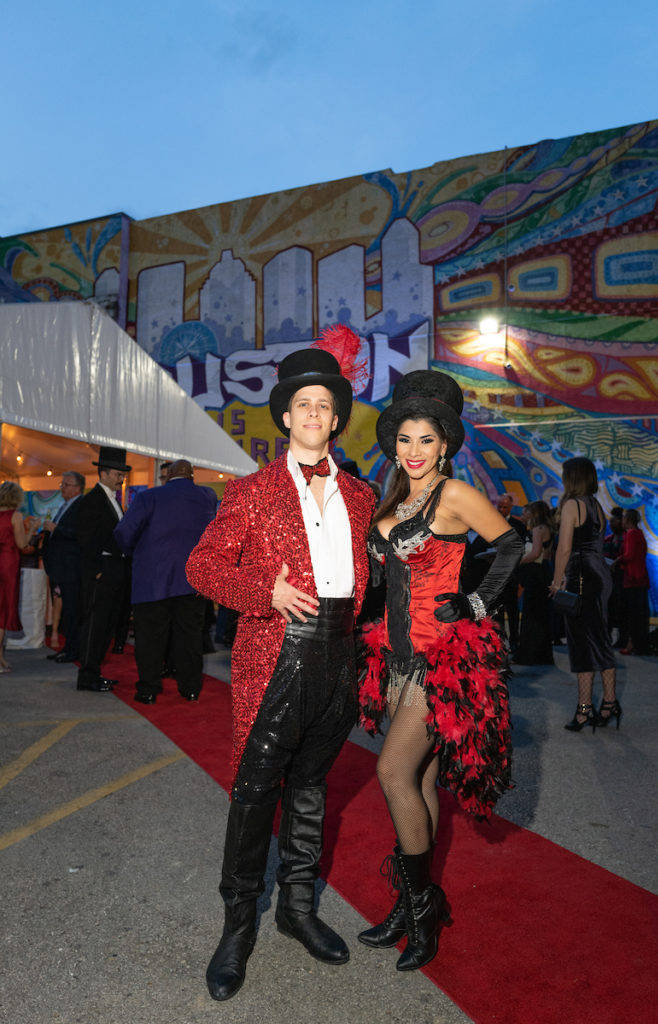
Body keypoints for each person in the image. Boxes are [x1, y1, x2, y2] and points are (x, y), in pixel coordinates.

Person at [185, 328, 376, 1001]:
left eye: (327, 405)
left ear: (334, 417)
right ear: (287, 416)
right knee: (252, 792)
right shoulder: (249, 492)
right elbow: (202, 566)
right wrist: (262, 593)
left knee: (311, 787)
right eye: (305, 405)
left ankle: (297, 908)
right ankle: (237, 925)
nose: (316, 415)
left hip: (337, 656)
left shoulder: (360, 495)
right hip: (277, 651)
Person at [357, 370, 522, 972]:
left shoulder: (453, 495)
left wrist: (478, 603)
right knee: (421, 782)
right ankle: (415, 901)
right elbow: (382, 580)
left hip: (440, 662)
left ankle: (423, 906)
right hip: (397, 658)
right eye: (404, 440)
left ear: (445, 445)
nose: (414, 451)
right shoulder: (397, 500)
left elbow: (512, 543)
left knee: (392, 772)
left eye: (426, 440)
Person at [114, 459, 216, 704]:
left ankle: (148, 690)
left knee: (149, 638)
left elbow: (123, 533)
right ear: (192, 476)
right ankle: (190, 688)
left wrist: (134, 553)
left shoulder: (150, 497)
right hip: (193, 580)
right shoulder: (207, 497)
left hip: (153, 579)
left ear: (168, 475)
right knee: (190, 637)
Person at [550, 457, 619, 730]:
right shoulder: (597, 506)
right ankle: (606, 703)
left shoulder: (572, 505)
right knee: (597, 639)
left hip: (582, 578)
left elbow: (564, 548)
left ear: (572, 478)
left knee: (582, 643)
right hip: (599, 575)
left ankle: (586, 709)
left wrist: (556, 582)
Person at [76, 447, 131, 692]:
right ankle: (87, 675)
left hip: (115, 567)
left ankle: (94, 671)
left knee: (107, 624)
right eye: (119, 474)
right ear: (105, 473)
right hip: (103, 569)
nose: (122, 479)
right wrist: (96, 570)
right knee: (96, 624)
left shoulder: (112, 499)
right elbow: (85, 539)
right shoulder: (93, 500)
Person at [42, 471, 85, 663]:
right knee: (67, 610)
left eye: (66, 484)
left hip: (71, 567)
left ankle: (73, 649)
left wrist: (56, 529)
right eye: (62, 484)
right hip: (60, 566)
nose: (62, 488)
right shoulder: (65, 506)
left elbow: (80, 534)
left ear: (77, 488)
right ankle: (68, 647)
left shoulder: (81, 505)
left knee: (72, 610)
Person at [0, 482, 40, 671]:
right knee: (3, 610)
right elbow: (23, 545)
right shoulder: (15, 516)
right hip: (7, 564)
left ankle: (0, 657)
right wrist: (32, 529)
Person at [513, 500, 555, 665]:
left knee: (531, 614)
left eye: (528, 512)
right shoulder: (548, 528)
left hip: (535, 574)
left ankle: (529, 654)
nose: (525, 514)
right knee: (540, 615)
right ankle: (541, 654)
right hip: (543, 572)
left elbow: (535, 553)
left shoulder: (538, 529)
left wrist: (517, 561)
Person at [494, 493, 526, 651]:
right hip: (494, 573)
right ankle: (499, 644)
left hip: (511, 574)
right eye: (499, 506)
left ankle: (515, 642)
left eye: (504, 507)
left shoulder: (518, 525)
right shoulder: (489, 522)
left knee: (512, 610)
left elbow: (520, 548)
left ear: (511, 507)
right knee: (497, 611)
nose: (500, 509)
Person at [616, 509, 650, 656]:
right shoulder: (640, 533)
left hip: (632, 577)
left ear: (627, 519)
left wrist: (617, 560)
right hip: (641, 575)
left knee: (633, 614)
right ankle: (640, 644)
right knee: (640, 613)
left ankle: (632, 644)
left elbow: (629, 555)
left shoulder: (631, 534)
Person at [604, 507, 628, 649]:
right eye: (610, 521)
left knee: (622, 609)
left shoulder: (627, 538)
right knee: (608, 608)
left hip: (623, 578)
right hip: (610, 578)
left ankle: (623, 638)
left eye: (614, 521)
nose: (611, 524)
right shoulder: (608, 539)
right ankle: (606, 637)